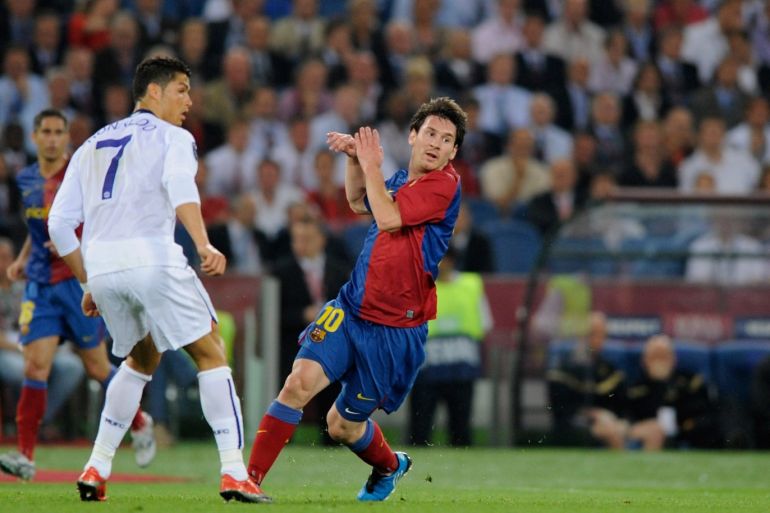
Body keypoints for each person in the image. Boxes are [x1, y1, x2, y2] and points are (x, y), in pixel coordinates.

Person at [46, 57, 265, 503]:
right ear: (153, 92)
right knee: (211, 350)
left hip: (105, 268)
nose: (189, 100)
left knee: (141, 360)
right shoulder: (174, 138)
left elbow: (58, 224)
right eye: (182, 89)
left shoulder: (90, 144)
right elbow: (181, 186)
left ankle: (96, 466)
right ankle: (233, 471)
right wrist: (203, 243)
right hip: (152, 259)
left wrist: (89, 282)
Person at [246, 97, 466, 501]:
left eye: (447, 139)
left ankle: (389, 465)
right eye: (430, 133)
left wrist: (370, 164)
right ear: (413, 136)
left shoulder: (444, 184)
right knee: (297, 383)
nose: (436, 143)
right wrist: (353, 159)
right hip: (350, 310)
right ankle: (249, 480)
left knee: (340, 426)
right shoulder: (401, 179)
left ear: (454, 152)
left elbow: (387, 217)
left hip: (394, 331)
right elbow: (358, 201)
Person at [0, 109, 155, 482]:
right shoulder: (25, 179)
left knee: (98, 368)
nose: (52, 138)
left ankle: (139, 420)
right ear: (36, 137)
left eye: (59, 132)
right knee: (36, 367)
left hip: (77, 281)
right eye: (46, 132)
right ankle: (25, 455)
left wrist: (76, 244)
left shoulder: (81, 171)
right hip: (40, 285)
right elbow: (34, 227)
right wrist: (23, 258)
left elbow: (102, 218)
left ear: (67, 137)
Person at [408, 247, 492, 446]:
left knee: (461, 430)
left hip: (459, 370)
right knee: (419, 430)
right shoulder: (417, 288)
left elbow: (485, 323)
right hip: (427, 369)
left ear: (451, 261)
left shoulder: (471, 285)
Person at [627, 335, 720, 449]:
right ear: (644, 361)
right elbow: (631, 416)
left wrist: (665, 383)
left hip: (687, 437)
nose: (659, 362)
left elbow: (703, 413)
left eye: (663, 356)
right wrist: (657, 384)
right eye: (655, 357)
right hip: (648, 438)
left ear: (673, 359)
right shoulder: (635, 388)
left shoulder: (690, 382)